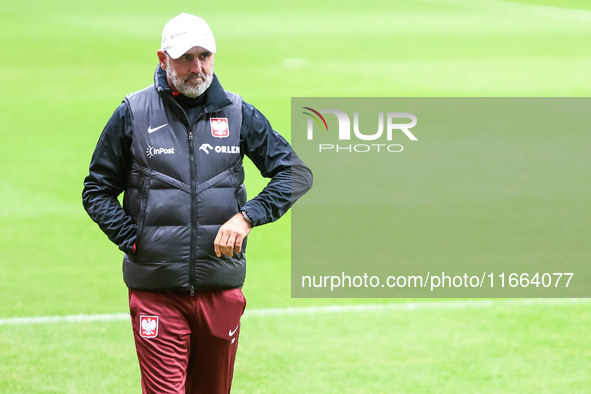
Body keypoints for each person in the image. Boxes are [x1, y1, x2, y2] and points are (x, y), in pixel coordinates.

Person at [82, 12, 312, 393]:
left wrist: (248, 217)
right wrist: (134, 239)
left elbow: (295, 173)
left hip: (220, 288)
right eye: (186, 57)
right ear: (162, 58)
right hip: (157, 292)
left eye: (205, 55)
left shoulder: (238, 113)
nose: (197, 67)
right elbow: (96, 190)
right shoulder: (133, 113)